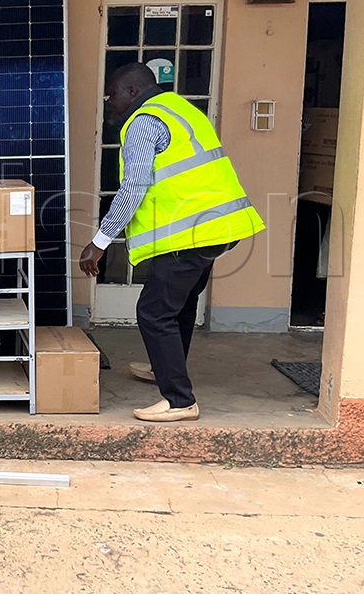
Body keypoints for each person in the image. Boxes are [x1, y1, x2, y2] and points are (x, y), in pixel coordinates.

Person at [79, 63, 265, 422]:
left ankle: (179, 400)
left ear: (133, 92)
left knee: (154, 312)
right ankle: (164, 368)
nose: (109, 102)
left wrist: (100, 241)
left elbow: (133, 188)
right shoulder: (181, 110)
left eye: (113, 94)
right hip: (218, 226)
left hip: (189, 234)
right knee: (180, 304)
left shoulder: (143, 122)